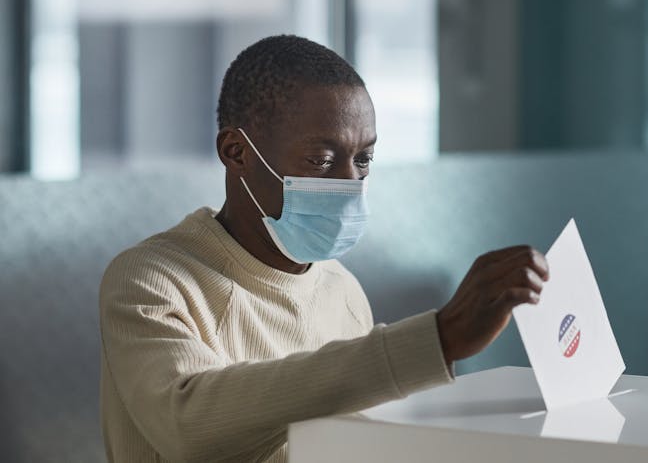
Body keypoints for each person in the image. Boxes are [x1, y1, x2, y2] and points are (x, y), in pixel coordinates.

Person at [99, 35, 549, 462]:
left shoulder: (342, 291)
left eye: (363, 159)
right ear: (237, 152)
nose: (350, 184)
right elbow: (189, 429)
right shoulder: (151, 279)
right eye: (321, 160)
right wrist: (438, 339)